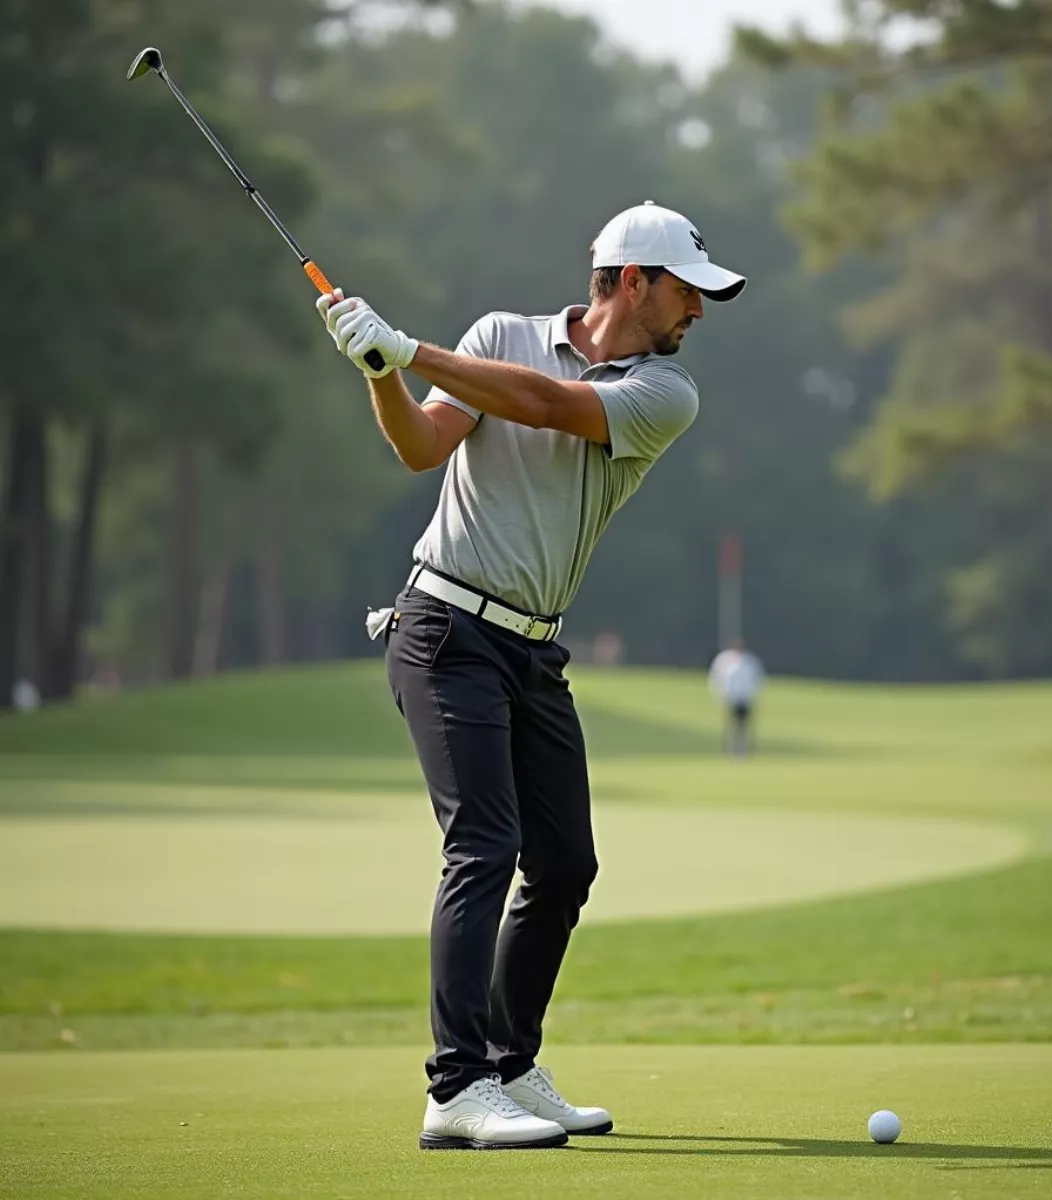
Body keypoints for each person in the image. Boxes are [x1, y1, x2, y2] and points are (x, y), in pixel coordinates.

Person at [318, 201, 746, 1150]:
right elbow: (420, 446)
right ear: (632, 279)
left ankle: (508, 1064)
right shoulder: (499, 336)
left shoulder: (663, 394)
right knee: (484, 844)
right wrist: (381, 372)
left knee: (565, 863)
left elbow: (549, 406)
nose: (700, 314)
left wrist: (408, 346)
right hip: (442, 628)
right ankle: (456, 1087)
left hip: (532, 649)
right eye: (689, 292)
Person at [708, 641, 766, 756]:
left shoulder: (749, 662)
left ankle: (744, 751)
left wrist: (755, 696)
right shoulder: (725, 662)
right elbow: (718, 678)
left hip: (745, 699)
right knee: (731, 727)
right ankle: (730, 750)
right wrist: (722, 695)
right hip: (732, 699)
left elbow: (757, 680)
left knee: (744, 727)